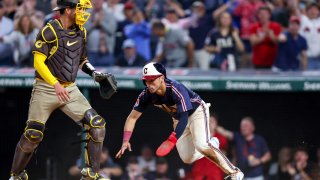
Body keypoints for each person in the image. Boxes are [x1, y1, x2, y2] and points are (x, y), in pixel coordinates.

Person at [8, 0, 117, 179]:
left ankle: (92, 174)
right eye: (79, 9)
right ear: (67, 10)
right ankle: (16, 174)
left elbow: (82, 60)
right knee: (33, 134)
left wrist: (95, 74)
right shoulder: (49, 30)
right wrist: (55, 84)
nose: (83, 12)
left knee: (97, 125)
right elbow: (38, 62)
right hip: (45, 88)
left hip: (70, 89)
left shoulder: (81, 31)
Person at [115, 62, 244, 180]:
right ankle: (213, 143)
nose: (149, 84)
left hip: (196, 112)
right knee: (187, 158)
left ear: (161, 78)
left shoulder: (175, 88)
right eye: (146, 81)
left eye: (152, 80)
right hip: (178, 118)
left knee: (202, 145)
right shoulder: (146, 95)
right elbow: (132, 117)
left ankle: (235, 172)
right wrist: (126, 140)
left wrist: (173, 138)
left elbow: (184, 116)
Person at [192, 114, 229, 180]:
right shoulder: (199, 136)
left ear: (216, 124)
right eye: (208, 121)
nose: (209, 123)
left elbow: (225, 154)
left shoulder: (221, 138)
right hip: (200, 171)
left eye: (212, 121)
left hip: (215, 172)